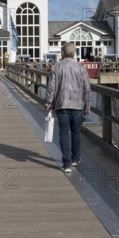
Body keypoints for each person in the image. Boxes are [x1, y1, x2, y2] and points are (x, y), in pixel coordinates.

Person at [45, 42, 91, 174]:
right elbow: (87, 89)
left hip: (62, 104)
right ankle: (75, 158)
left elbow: (51, 88)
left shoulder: (56, 67)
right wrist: (87, 107)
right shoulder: (81, 68)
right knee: (76, 132)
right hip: (77, 106)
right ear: (74, 53)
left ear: (63, 53)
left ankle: (67, 163)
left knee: (64, 133)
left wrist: (49, 104)